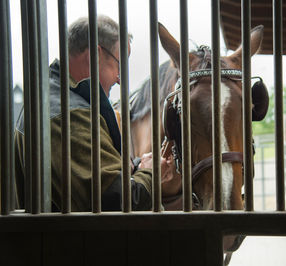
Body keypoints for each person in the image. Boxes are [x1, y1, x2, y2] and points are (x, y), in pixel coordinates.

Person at [14, 15, 173, 212]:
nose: (119, 79)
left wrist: (137, 166)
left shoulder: (55, 101)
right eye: (119, 65)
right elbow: (118, 201)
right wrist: (151, 172)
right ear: (94, 57)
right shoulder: (68, 116)